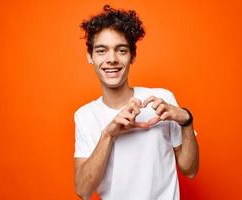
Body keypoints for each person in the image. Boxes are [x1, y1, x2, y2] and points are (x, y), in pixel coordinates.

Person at [74, 5, 199, 200]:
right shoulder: (85, 116)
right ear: (90, 57)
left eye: (121, 50)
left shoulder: (160, 100)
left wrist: (187, 121)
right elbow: (83, 191)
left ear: (133, 56)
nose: (112, 59)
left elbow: (190, 170)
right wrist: (108, 134)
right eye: (101, 51)